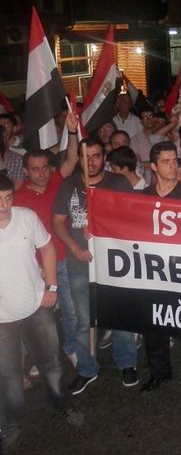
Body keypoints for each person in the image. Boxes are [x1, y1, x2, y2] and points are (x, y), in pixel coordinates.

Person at [0, 175, 84, 448]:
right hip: (2, 319)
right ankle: (12, 421)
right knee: (9, 375)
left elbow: (47, 249)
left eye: (8, 198)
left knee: (52, 365)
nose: (4, 205)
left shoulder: (26, 217)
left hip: (36, 306)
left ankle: (64, 405)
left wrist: (52, 287)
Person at [52, 137, 137, 395]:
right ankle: (87, 369)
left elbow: (134, 219)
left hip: (115, 266)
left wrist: (104, 229)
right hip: (79, 265)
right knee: (83, 321)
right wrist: (75, 248)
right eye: (86, 156)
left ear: (104, 157)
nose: (91, 162)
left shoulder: (118, 183)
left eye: (97, 156)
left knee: (119, 316)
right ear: (79, 158)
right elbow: (58, 222)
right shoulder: (69, 185)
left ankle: (127, 363)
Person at [140, 141, 181, 397]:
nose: (173, 166)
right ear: (153, 166)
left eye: (175, 161)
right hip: (152, 273)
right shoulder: (143, 196)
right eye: (166, 161)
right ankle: (159, 373)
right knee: (153, 329)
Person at [13, 112, 80, 366]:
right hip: (36, 268)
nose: (42, 173)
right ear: (26, 171)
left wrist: (71, 131)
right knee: (38, 318)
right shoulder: (16, 200)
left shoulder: (57, 182)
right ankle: (36, 359)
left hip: (66, 259)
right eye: (35, 169)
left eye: (45, 168)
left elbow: (73, 158)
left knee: (72, 311)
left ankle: (72, 348)